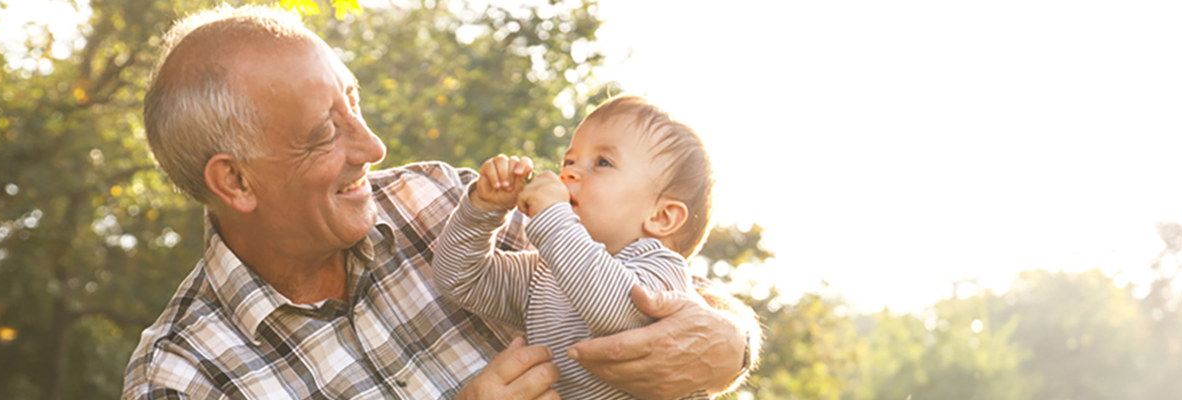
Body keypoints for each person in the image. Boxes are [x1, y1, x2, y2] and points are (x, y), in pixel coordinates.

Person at [120, 5, 759, 400]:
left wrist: (733, 339)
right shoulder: (183, 379)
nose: (372, 145)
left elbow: (651, 281)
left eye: (356, 103)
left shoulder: (433, 197)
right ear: (234, 182)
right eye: (324, 132)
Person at [431, 95, 716, 400]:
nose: (569, 173)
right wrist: (483, 209)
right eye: (569, 161)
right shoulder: (544, 273)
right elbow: (460, 279)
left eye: (602, 163)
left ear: (661, 217)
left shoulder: (663, 274)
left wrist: (553, 216)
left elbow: (616, 311)